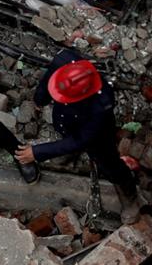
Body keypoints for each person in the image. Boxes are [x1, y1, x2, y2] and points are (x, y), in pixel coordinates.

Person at [16, 49, 143, 224]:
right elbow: (48, 81)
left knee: (110, 164)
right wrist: (40, 99)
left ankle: (129, 197)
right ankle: (70, 151)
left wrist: (37, 152)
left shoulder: (101, 105)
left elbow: (82, 139)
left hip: (97, 135)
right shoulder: (65, 61)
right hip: (68, 121)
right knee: (68, 134)